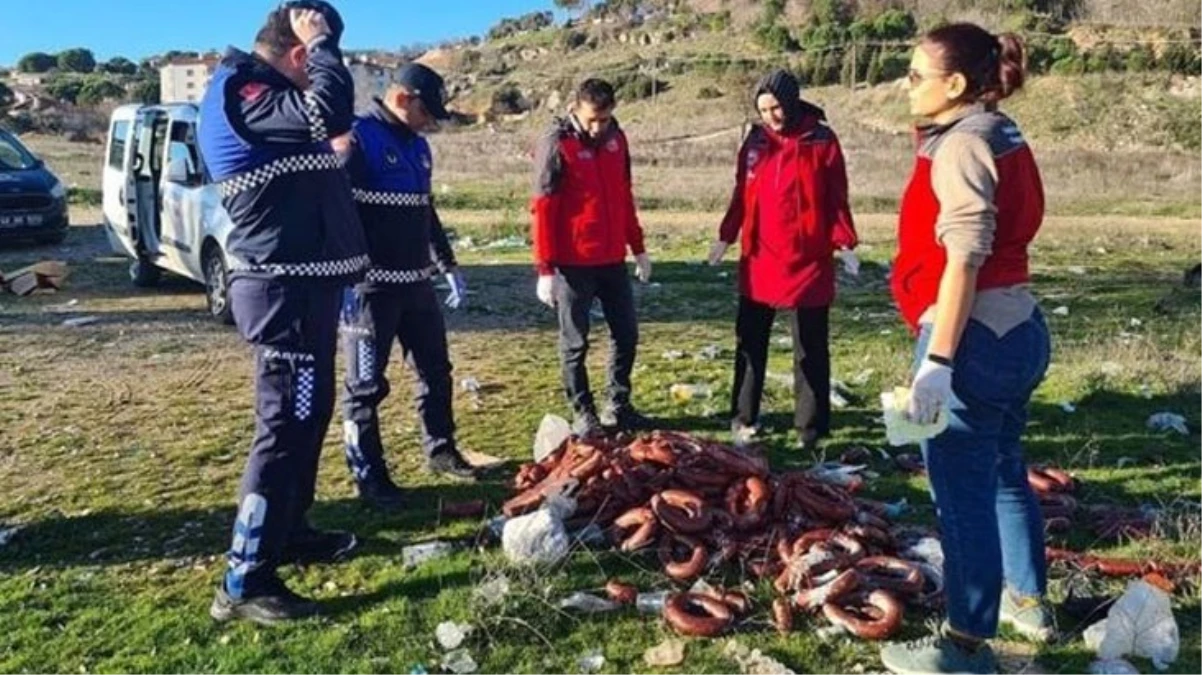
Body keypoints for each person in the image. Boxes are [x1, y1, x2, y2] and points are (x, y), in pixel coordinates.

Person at [877, 23, 1052, 675]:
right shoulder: (1001, 130)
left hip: (974, 335)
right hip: (1019, 326)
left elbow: (965, 256)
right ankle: (1029, 603)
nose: (908, 85)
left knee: (962, 492)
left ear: (954, 84)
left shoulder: (965, 143)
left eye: (917, 74)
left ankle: (966, 644)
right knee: (1004, 470)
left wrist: (939, 362)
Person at [198, 1, 367, 624]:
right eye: (314, 59)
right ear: (299, 53)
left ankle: (289, 530)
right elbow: (329, 110)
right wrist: (325, 45)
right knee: (284, 429)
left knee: (309, 416)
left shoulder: (266, 98)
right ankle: (245, 580)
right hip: (280, 292)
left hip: (305, 289)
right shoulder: (247, 92)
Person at [339, 63, 477, 511]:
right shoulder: (357, 140)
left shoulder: (419, 149)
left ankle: (440, 448)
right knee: (365, 387)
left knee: (436, 372)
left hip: (417, 286)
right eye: (427, 111)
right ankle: (369, 475)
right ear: (403, 99)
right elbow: (334, 210)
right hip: (369, 292)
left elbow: (426, 211)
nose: (432, 121)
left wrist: (446, 262)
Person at [708, 69, 858, 450]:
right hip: (760, 259)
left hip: (809, 260)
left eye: (775, 107)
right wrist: (725, 236)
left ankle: (811, 428)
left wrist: (846, 241)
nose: (770, 116)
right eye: (763, 109)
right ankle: (744, 417)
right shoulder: (756, 141)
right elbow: (741, 194)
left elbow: (836, 197)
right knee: (750, 341)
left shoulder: (821, 139)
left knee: (810, 345)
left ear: (791, 102)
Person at [530, 78, 653, 438]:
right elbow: (543, 208)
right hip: (572, 263)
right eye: (592, 120)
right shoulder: (557, 143)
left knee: (626, 334)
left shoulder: (617, 140)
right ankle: (583, 411)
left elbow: (624, 196)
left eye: (605, 119)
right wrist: (545, 268)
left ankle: (619, 403)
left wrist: (639, 248)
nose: (598, 127)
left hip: (612, 258)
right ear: (576, 111)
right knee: (575, 341)